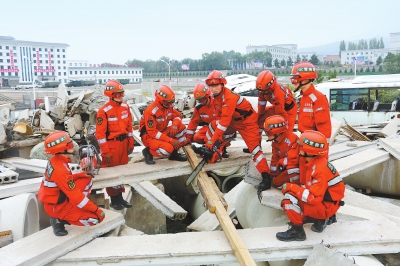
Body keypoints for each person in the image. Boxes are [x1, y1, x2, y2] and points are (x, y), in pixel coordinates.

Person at [204, 70, 271, 188]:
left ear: (222, 84)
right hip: (234, 121)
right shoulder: (215, 97)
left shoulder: (229, 97)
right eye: (211, 86)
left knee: (255, 151)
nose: (213, 89)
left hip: (247, 123)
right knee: (213, 125)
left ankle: (266, 177)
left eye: (216, 86)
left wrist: (213, 139)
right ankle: (217, 150)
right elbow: (219, 118)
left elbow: (224, 123)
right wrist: (215, 140)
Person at [276, 130, 345, 242]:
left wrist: (290, 187)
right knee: (295, 193)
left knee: (288, 199)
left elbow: (313, 198)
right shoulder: (316, 162)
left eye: (301, 146)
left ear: (308, 150)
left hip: (326, 206)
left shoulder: (318, 169)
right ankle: (319, 219)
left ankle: (297, 232)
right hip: (328, 203)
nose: (299, 148)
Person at [38, 131, 105, 236]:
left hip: (57, 199)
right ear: (62, 149)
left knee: (86, 179)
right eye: (69, 143)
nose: (72, 145)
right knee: (95, 219)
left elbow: (63, 181)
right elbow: (75, 196)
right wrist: (96, 210)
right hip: (57, 208)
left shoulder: (56, 160)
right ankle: (59, 220)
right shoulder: (60, 169)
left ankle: (74, 211)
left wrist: (81, 175)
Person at [96, 80, 134, 210]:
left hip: (123, 145)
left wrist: (130, 143)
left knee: (122, 171)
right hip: (111, 146)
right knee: (112, 172)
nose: (120, 96)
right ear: (110, 94)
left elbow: (129, 127)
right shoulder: (103, 111)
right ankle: (114, 200)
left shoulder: (126, 107)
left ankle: (120, 198)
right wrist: (105, 152)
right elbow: (100, 135)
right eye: (117, 93)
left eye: (121, 93)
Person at [139, 84, 187, 165]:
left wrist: (175, 125)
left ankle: (174, 153)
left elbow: (178, 117)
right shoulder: (151, 111)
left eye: (171, 103)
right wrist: (170, 140)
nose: (169, 105)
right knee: (168, 148)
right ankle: (148, 151)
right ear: (161, 99)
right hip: (149, 137)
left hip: (161, 132)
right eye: (167, 103)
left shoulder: (168, 107)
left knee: (182, 127)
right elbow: (152, 132)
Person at [185, 83, 234, 157]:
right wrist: (188, 138)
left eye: (203, 99)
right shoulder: (199, 108)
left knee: (217, 133)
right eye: (199, 100)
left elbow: (225, 121)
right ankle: (208, 146)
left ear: (207, 95)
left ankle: (222, 148)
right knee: (197, 137)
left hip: (224, 128)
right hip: (210, 128)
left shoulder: (217, 102)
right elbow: (193, 122)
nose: (201, 101)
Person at [290, 62, 331, 143]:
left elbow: (323, 127)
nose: (293, 80)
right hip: (305, 138)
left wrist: (321, 147)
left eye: (296, 77)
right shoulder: (303, 97)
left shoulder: (318, 99)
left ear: (305, 79)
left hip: (314, 142)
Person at [262, 115, 300, 189]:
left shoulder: (292, 139)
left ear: (277, 132)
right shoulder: (275, 142)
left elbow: (294, 161)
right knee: (275, 182)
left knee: (278, 182)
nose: (267, 135)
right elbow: (274, 158)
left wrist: (280, 162)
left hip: (296, 168)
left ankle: (296, 186)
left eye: (268, 133)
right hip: (286, 167)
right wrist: (271, 175)